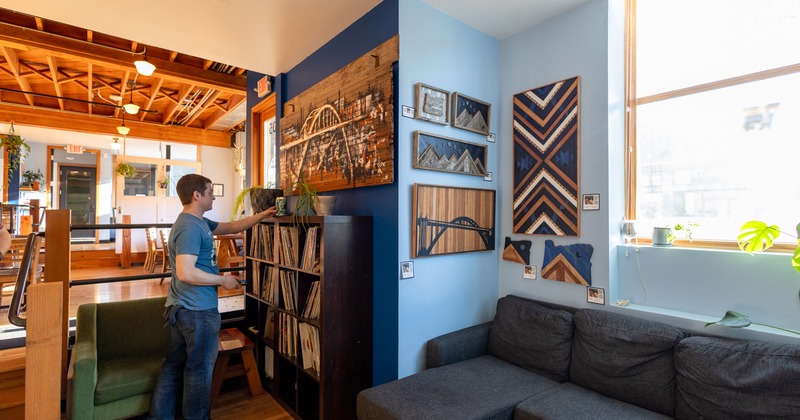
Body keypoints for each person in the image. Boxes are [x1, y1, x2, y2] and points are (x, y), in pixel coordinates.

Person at [149, 174, 276, 419]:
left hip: (182, 308)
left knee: (173, 368)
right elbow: (186, 272)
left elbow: (232, 227)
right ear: (197, 195)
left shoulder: (199, 222)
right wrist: (223, 280)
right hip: (196, 311)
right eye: (210, 192)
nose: (214, 197)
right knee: (198, 373)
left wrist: (261, 215)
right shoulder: (189, 227)